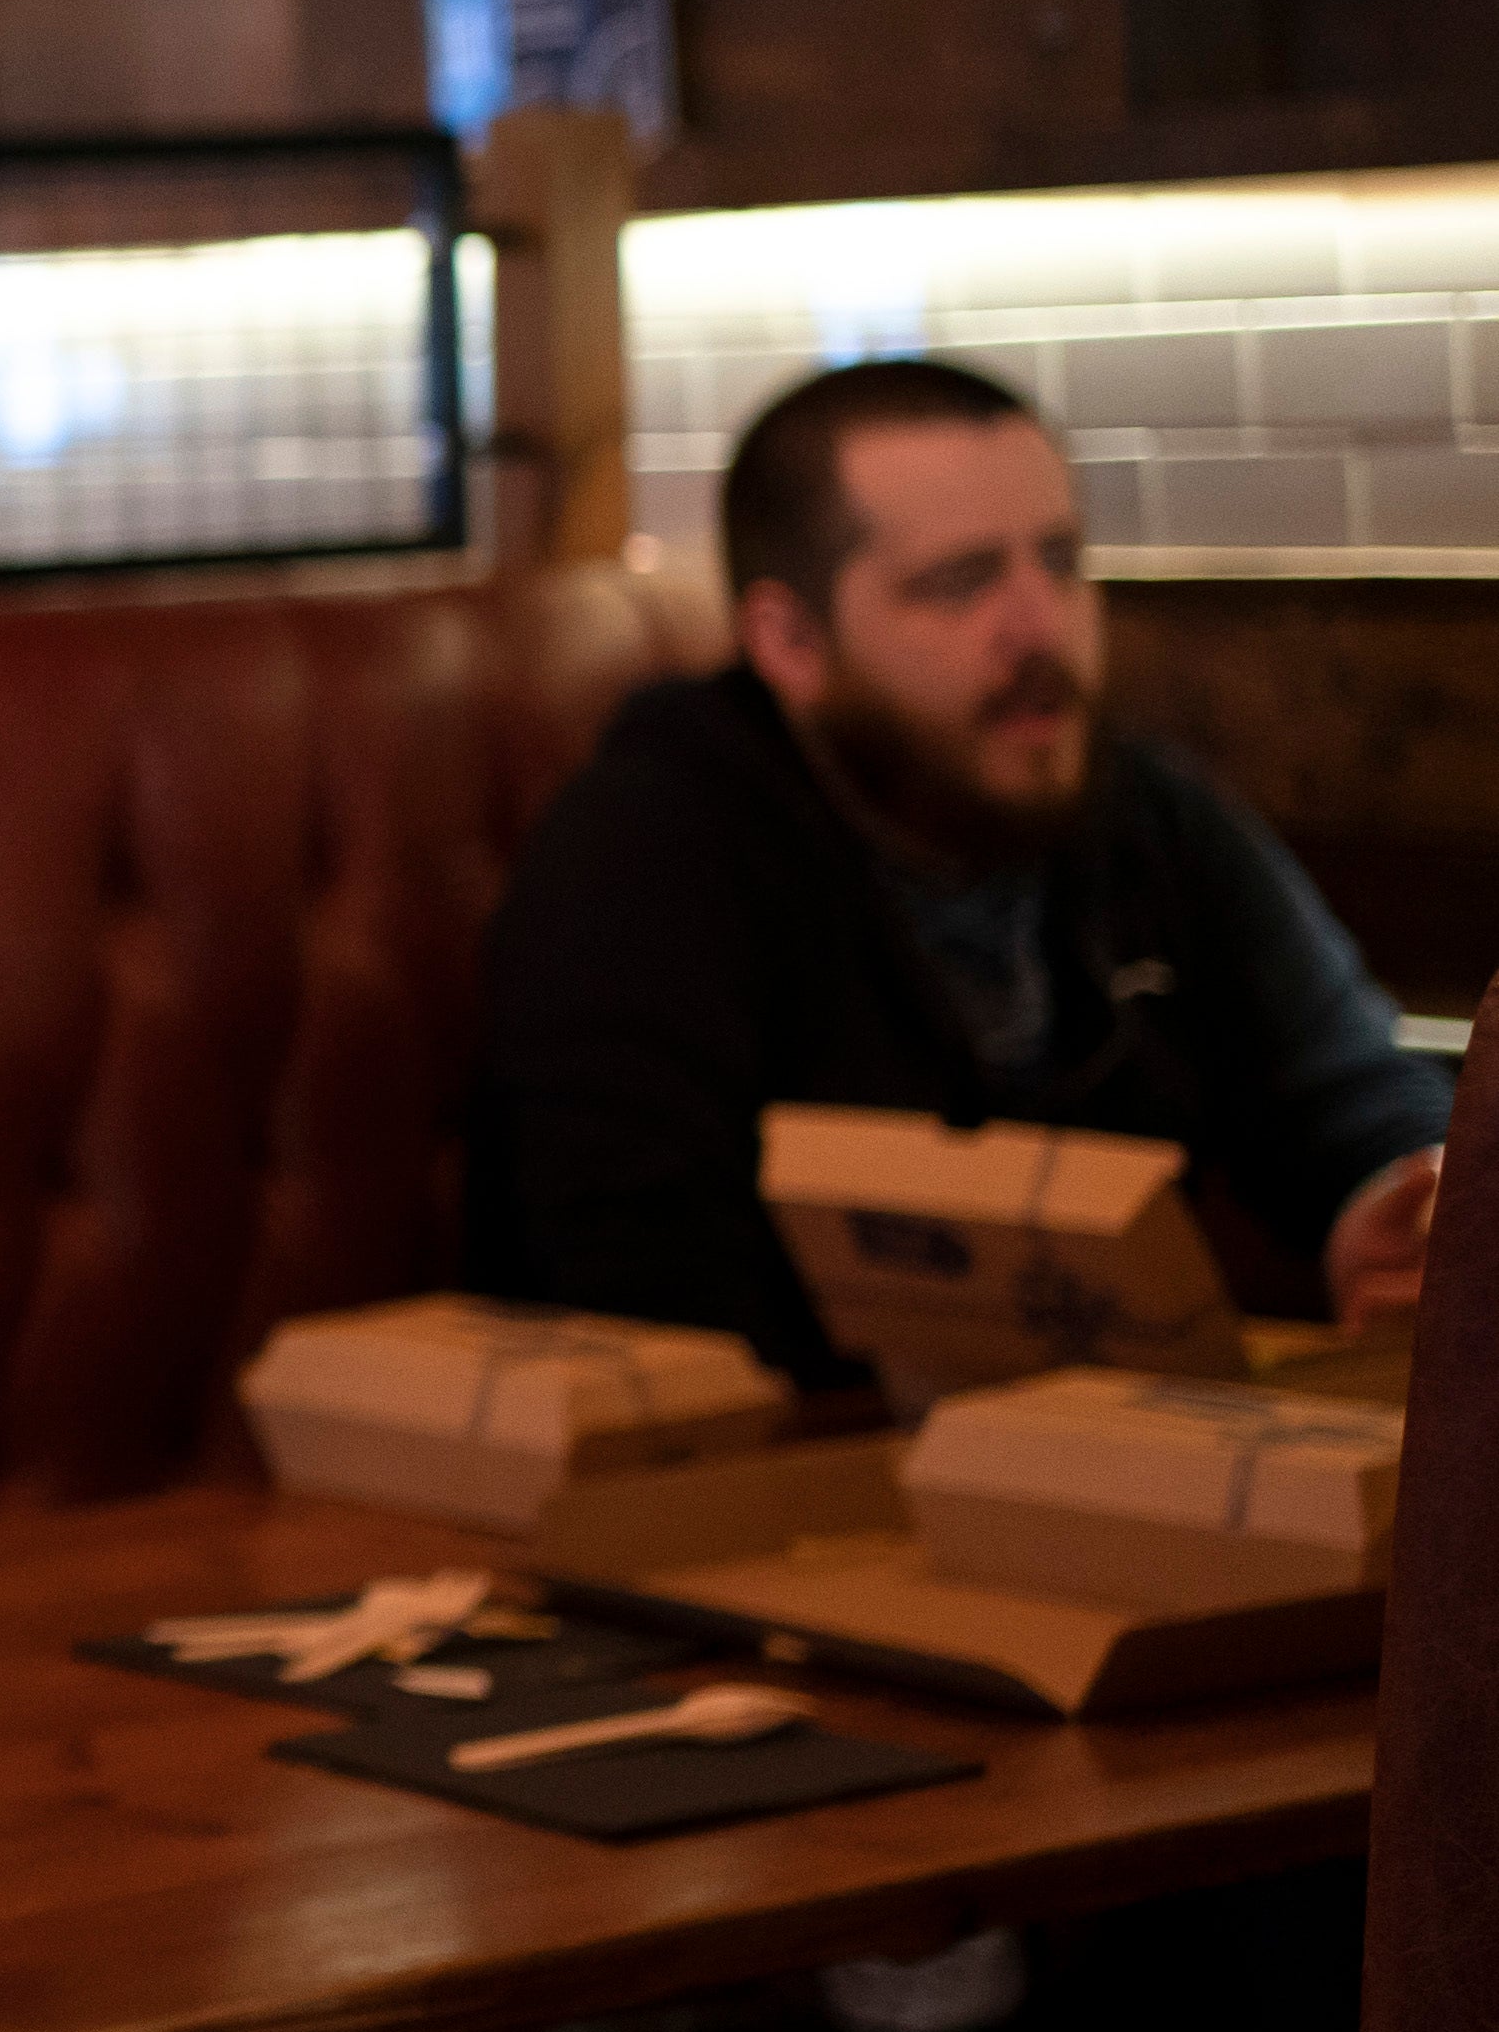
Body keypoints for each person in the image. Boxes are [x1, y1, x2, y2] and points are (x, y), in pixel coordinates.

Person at [467, 357, 1446, 1372]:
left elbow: (1348, 1082)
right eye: (961, 581)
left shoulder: (1141, 812)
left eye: (1059, 561)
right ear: (790, 640)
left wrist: (1395, 1208)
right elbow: (644, 1291)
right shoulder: (642, 856)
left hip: (1088, 1463)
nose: (1040, 626)